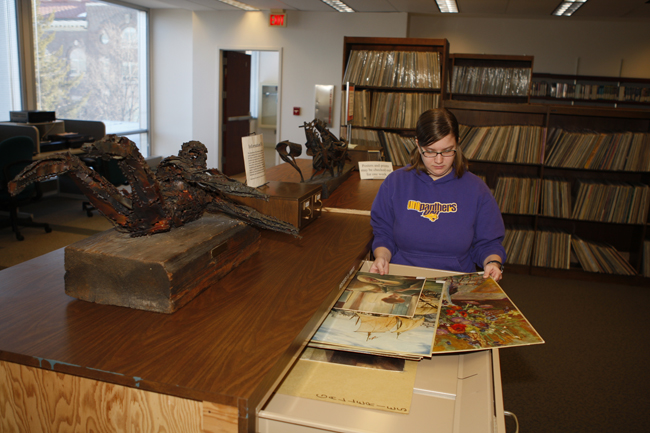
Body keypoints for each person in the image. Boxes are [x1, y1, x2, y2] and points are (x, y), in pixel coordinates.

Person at [369, 108, 506, 281]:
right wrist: (382, 257)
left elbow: (488, 243)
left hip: (455, 280)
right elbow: (384, 233)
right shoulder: (395, 183)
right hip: (404, 277)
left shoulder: (477, 189)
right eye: (430, 151)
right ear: (418, 145)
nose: (439, 160)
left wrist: (492, 263)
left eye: (448, 150)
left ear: (458, 144)